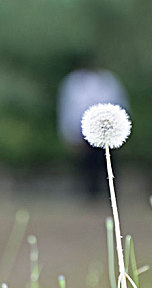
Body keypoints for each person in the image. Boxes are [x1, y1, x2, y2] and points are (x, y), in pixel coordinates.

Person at [57, 65, 129, 198]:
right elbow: (68, 110)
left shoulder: (109, 80)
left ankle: (111, 194)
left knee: (109, 164)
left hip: (109, 130)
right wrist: (70, 135)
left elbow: (120, 104)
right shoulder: (73, 82)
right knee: (88, 167)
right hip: (82, 133)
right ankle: (91, 195)